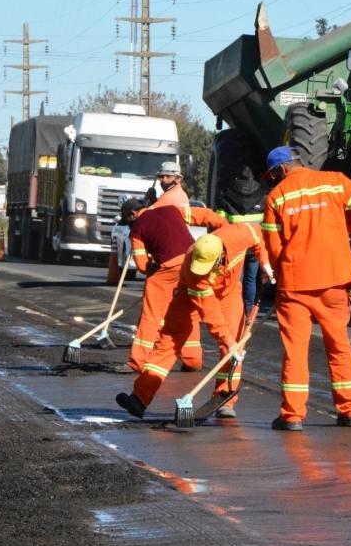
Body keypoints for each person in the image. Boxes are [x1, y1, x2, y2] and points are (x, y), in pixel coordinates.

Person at [261, 146, 351, 431]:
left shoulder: (276, 197)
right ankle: (350, 410)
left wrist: (280, 277)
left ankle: (292, 415)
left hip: (295, 284)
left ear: (281, 170)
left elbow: (274, 249)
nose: (273, 181)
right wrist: (346, 226)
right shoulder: (334, 181)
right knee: (339, 345)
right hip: (334, 279)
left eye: (272, 175)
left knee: (295, 350)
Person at [116, 223, 271, 419]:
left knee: (234, 348)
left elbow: (259, 236)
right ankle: (140, 398)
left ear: (220, 257)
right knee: (169, 339)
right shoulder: (193, 269)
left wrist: (265, 263)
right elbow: (211, 314)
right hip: (190, 294)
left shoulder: (238, 234)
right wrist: (228, 341)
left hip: (229, 294)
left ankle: (225, 399)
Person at [126, 197, 226, 373]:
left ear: (132, 214)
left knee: (152, 315)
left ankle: (139, 361)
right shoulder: (172, 210)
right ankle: (192, 360)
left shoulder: (137, 229)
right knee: (187, 311)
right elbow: (205, 215)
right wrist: (224, 228)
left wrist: (150, 265)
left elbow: (142, 266)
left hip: (166, 269)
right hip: (191, 263)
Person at [216, 164, 266, 306]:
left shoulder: (227, 196)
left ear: (237, 178)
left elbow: (219, 222)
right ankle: (248, 309)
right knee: (250, 279)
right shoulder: (262, 196)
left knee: (236, 278)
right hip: (254, 243)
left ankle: (236, 308)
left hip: (234, 245)